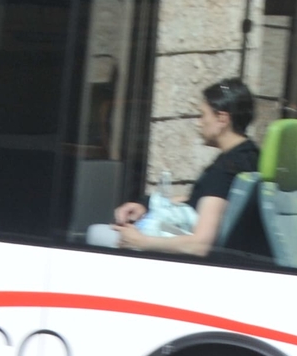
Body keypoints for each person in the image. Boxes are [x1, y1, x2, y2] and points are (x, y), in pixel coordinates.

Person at [111, 78, 271, 259]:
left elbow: (200, 244)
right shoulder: (251, 156)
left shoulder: (224, 170)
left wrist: (141, 241)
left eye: (203, 115)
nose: (199, 122)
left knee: (100, 235)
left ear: (222, 119)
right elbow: (204, 199)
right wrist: (145, 204)